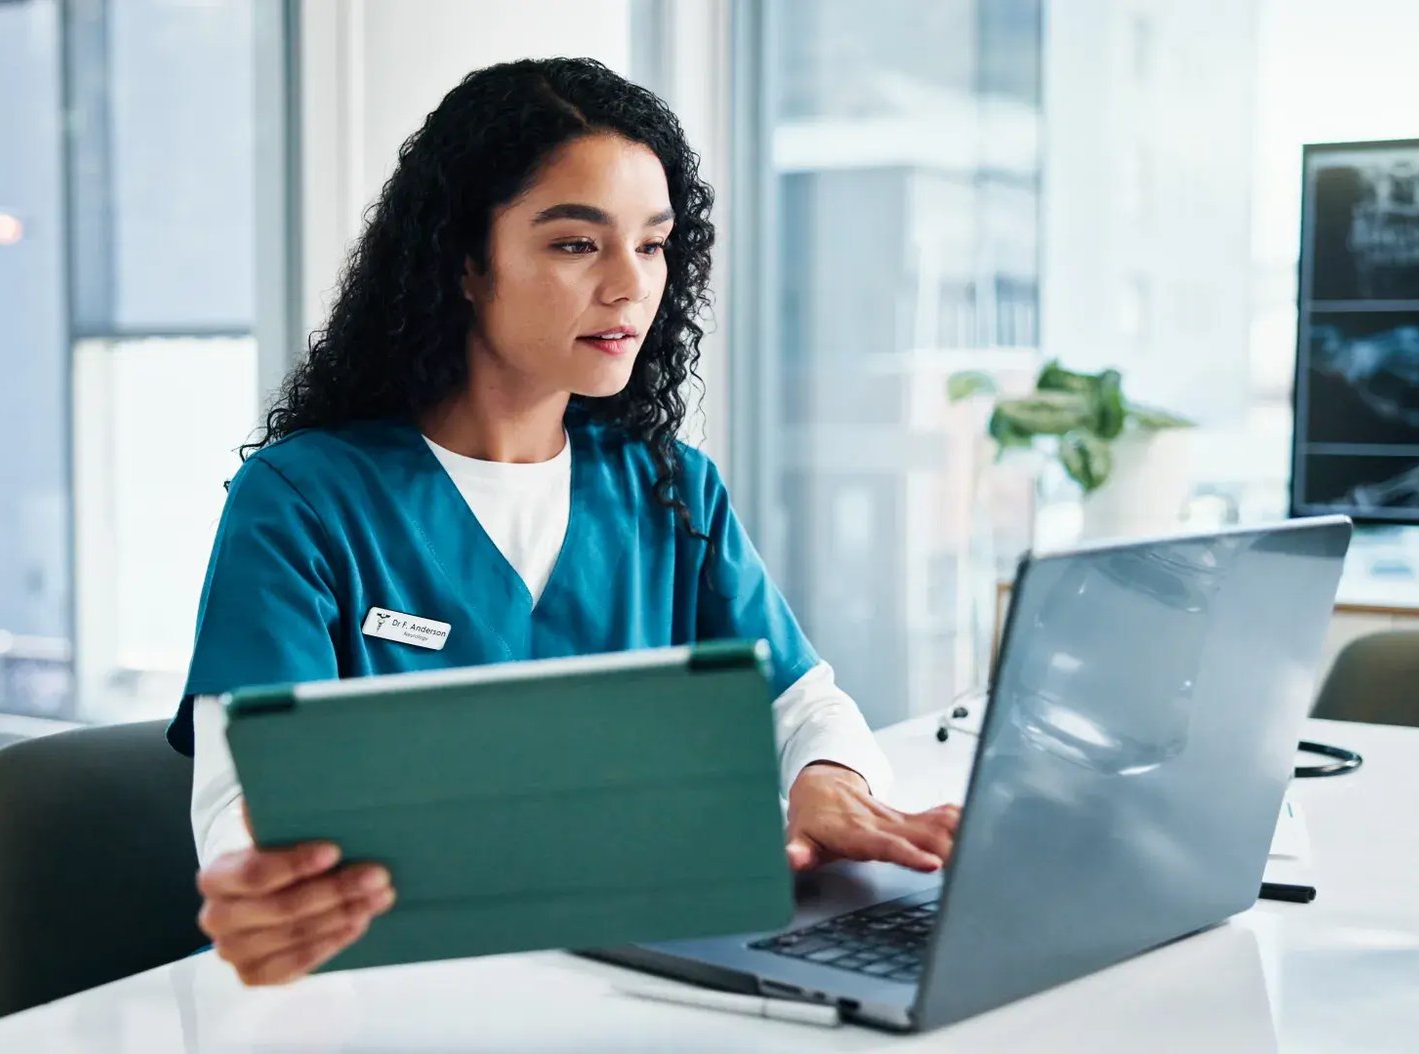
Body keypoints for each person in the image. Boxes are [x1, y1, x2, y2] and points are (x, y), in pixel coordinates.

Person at [174, 57, 960, 987]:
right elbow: (245, 790)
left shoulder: (667, 488)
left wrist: (831, 780)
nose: (631, 286)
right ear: (465, 261)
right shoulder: (304, 501)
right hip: (391, 992)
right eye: (577, 245)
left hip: (637, 980)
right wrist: (257, 884)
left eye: (655, 244)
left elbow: (799, 701)